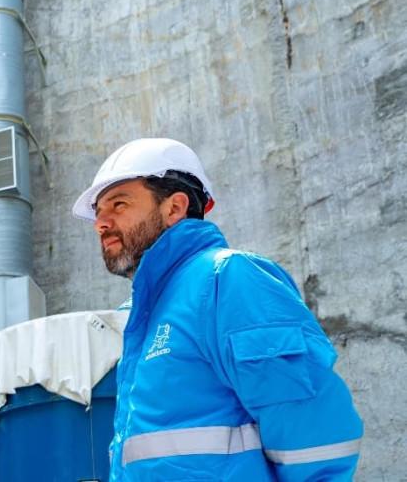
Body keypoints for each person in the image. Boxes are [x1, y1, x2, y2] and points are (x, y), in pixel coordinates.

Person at [72, 138, 362, 481]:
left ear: (174, 208)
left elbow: (313, 433)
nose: (100, 223)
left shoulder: (227, 279)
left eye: (118, 205)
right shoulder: (143, 312)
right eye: (98, 212)